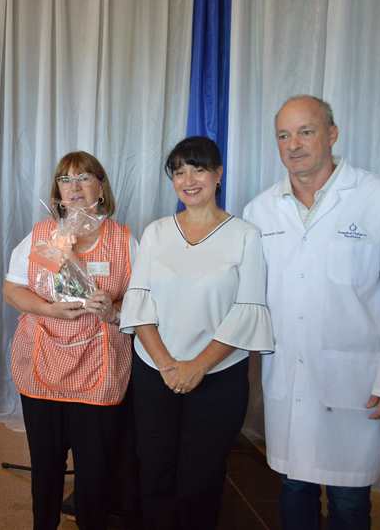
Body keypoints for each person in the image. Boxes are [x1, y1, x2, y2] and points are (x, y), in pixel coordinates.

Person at [243, 95, 380, 530]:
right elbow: (247, 296)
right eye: (283, 135)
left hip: (356, 381)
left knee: (349, 498)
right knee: (293, 488)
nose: (293, 145)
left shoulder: (379, 200)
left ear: (332, 134)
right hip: (288, 377)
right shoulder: (260, 209)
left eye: (305, 131)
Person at [120, 136, 274, 529]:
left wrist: (197, 367)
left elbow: (247, 310)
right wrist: (168, 365)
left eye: (198, 168)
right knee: (153, 471)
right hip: (155, 372)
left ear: (218, 175)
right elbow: (140, 304)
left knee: (200, 479)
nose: (188, 179)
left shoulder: (245, 235)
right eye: (179, 171)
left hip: (218, 377)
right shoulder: (156, 232)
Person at [3, 151, 137, 530]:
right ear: (57, 191)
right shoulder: (42, 235)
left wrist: (112, 310)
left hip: (100, 368)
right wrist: (49, 311)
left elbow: (143, 302)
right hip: (42, 363)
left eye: (84, 178)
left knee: (95, 469)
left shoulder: (125, 239)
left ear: (101, 186)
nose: (74, 187)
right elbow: (12, 290)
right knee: (46, 465)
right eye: (66, 179)